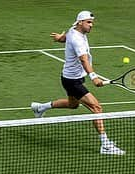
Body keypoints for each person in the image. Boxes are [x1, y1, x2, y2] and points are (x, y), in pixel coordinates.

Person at [31, 11, 125, 155]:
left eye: (92, 22)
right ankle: (105, 145)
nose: (91, 25)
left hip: (71, 78)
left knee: (73, 104)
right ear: (80, 22)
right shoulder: (78, 40)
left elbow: (67, 37)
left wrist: (59, 38)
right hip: (73, 81)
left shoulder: (73, 30)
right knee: (97, 108)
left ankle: (40, 108)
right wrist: (94, 77)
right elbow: (83, 59)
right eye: (88, 22)